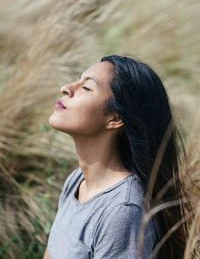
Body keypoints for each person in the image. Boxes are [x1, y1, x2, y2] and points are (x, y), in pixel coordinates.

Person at [43, 55, 189, 259]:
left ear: (115, 118)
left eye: (86, 87)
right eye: (78, 79)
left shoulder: (122, 210)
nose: (66, 88)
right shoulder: (77, 181)